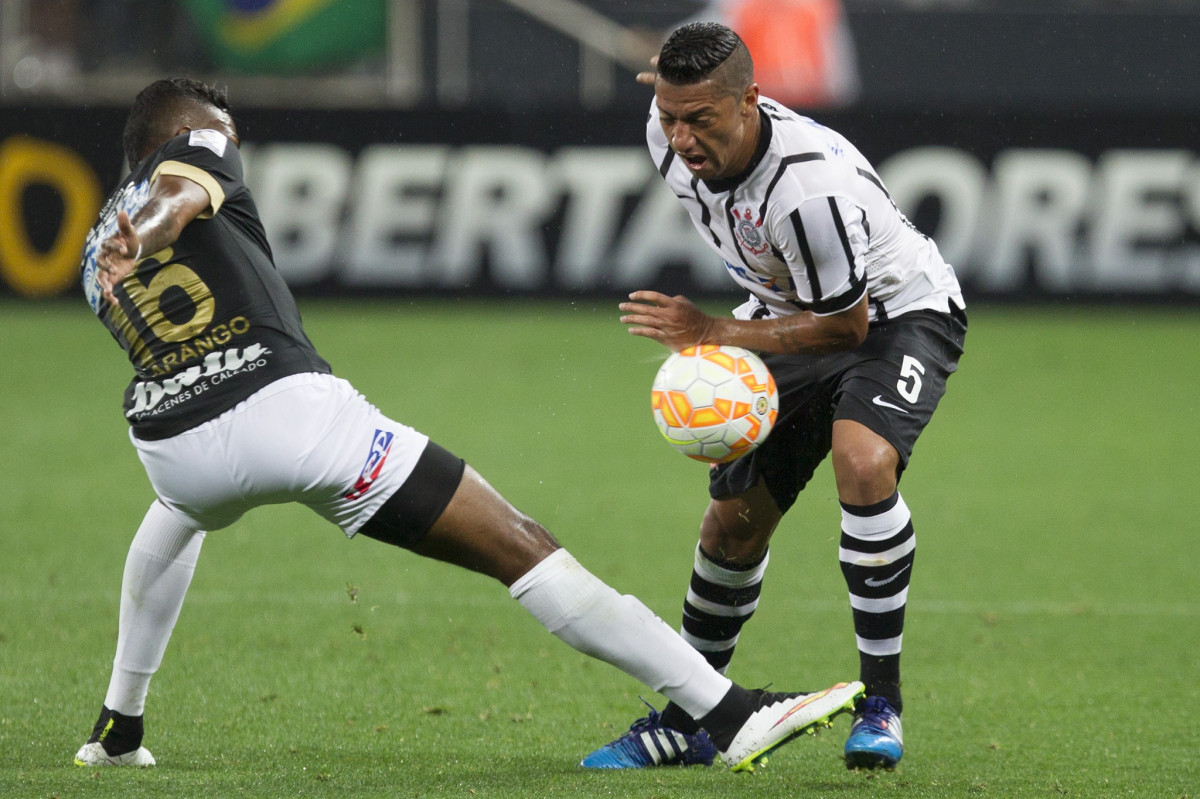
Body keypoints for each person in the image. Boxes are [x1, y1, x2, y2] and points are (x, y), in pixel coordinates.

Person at [71, 77, 864, 772]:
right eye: (225, 139)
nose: (232, 151)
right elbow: (181, 194)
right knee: (523, 544)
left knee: (175, 518)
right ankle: (730, 715)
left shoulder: (91, 245)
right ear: (176, 135)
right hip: (289, 415)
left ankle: (118, 724)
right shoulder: (192, 149)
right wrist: (157, 220)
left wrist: (129, 236)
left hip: (175, 446)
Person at [580, 22, 965, 771]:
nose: (683, 139)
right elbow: (805, 313)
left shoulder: (805, 189)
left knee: (862, 460)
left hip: (895, 316)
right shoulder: (664, 136)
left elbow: (845, 324)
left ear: (751, 101)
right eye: (670, 116)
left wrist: (713, 329)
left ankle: (880, 703)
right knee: (730, 525)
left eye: (702, 119)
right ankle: (692, 716)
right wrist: (675, 93)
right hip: (793, 315)